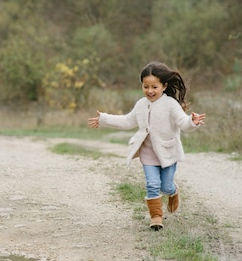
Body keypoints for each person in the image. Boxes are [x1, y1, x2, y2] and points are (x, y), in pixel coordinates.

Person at [88, 61, 205, 231]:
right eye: (146, 86)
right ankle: (156, 217)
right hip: (148, 154)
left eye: (154, 87)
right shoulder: (141, 105)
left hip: (167, 152)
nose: (150, 91)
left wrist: (191, 122)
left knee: (165, 186)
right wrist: (104, 119)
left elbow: (182, 122)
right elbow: (127, 121)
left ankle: (173, 192)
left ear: (164, 86)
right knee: (152, 184)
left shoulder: (171, 104)